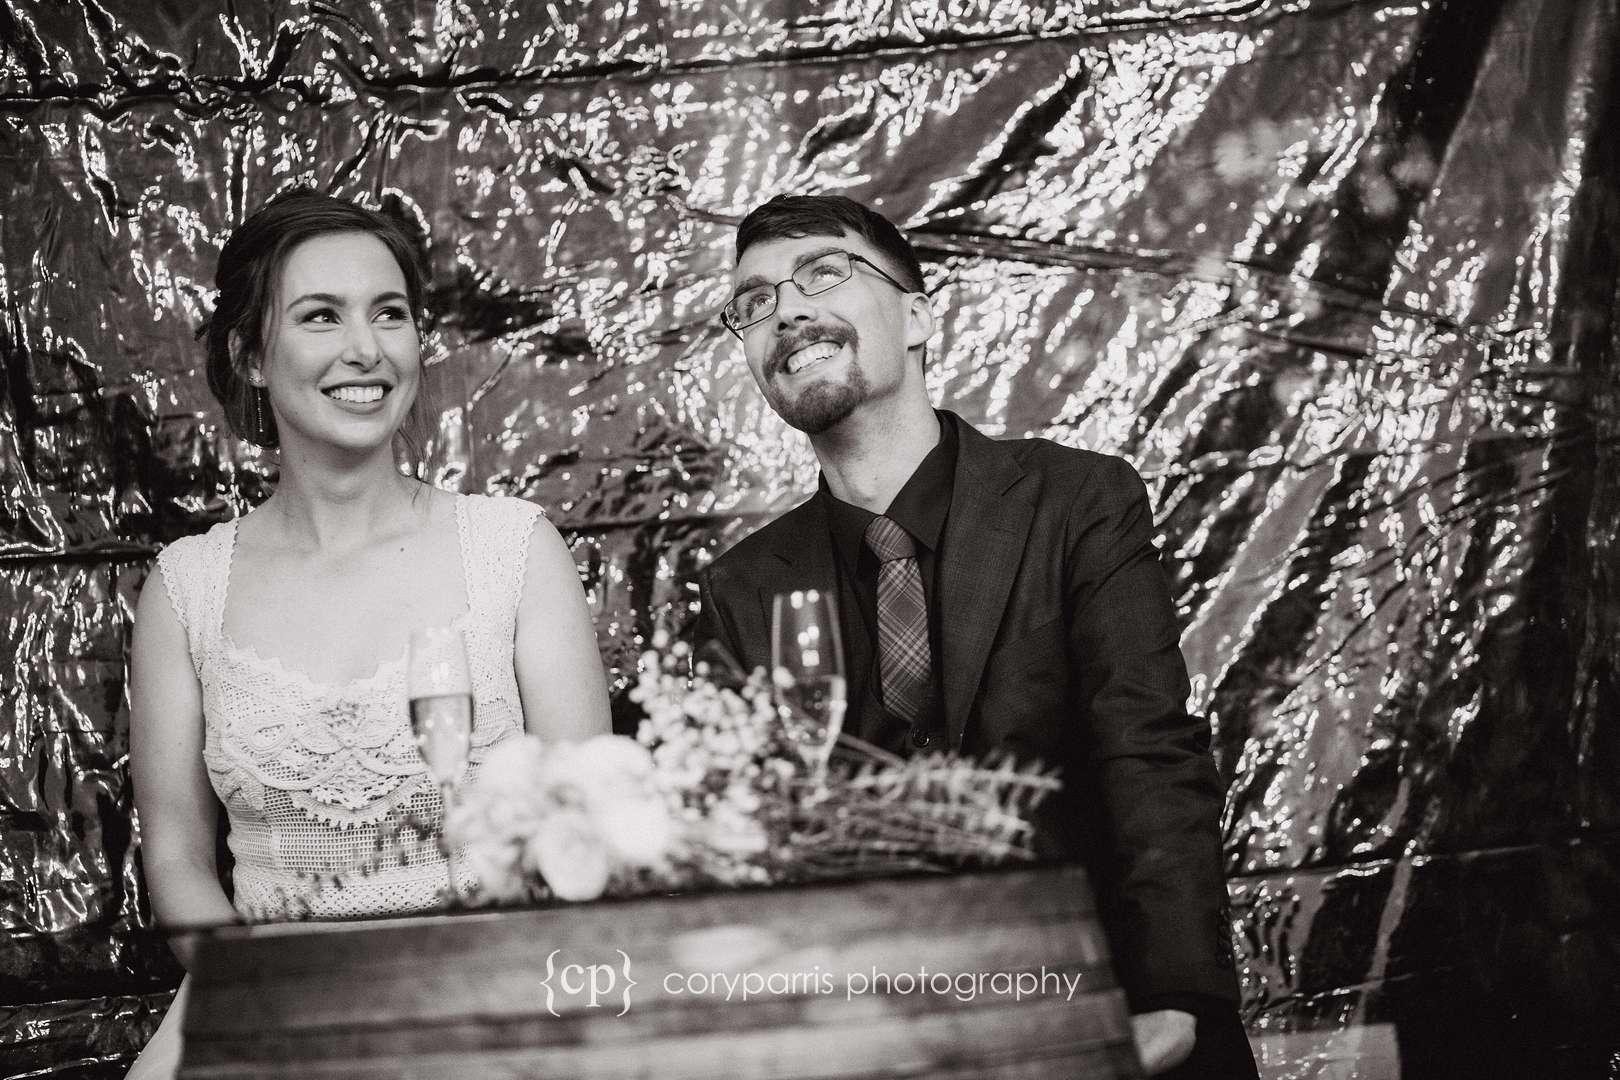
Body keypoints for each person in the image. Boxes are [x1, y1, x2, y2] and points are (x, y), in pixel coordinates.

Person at [696, 194, 1257, 1077]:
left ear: (917, 315)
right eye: (754, 302)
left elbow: (1147, 752)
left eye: (824, 273)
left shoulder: (1078, 503)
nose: (788, 310)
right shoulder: (741, 590)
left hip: (1110, 1013)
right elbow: (746, 848)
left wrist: (1174, 998)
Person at [125, 189, 612, 1078]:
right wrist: (283, 998)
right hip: (269, 1010)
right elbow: (179, 856)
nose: (366, 349)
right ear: (251, 356)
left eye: (389, 314)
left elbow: (584, 827)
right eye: (321, 316)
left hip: (489, 1004)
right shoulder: (186, 589)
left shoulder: (513, 552)